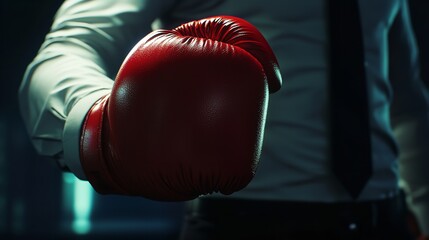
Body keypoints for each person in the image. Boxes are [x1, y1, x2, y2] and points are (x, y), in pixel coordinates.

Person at [18, 0, 429, 239]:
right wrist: (102, 130)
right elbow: (67, 48)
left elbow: (405, 99)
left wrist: (423, 211)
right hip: (245, 226)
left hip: (389, 223)